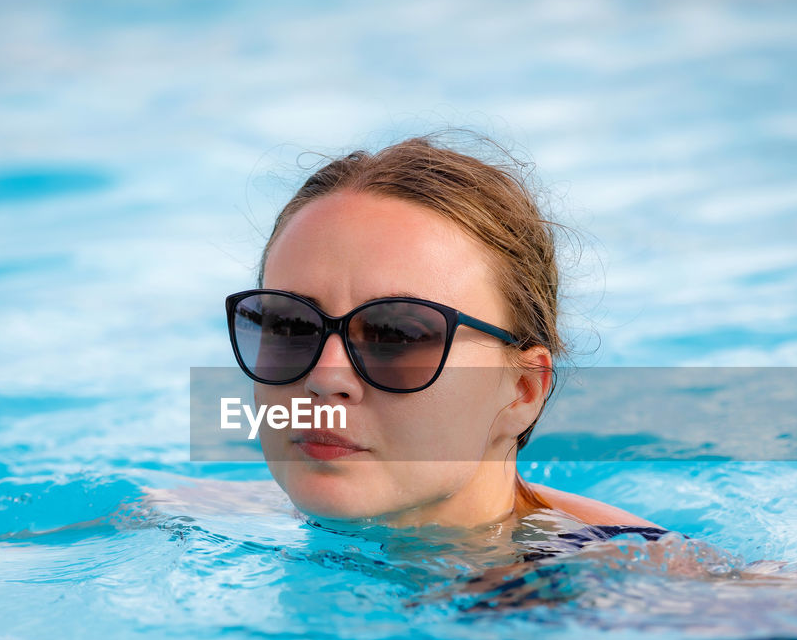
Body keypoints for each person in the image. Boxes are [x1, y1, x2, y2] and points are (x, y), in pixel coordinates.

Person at [222, 134, 669, 541]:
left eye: (395, 335)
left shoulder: (650, 594)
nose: (325, 376)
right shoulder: (199, 520)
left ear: (522, 391)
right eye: (289, 325)